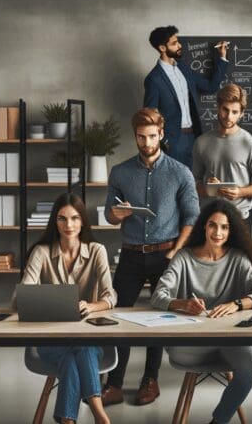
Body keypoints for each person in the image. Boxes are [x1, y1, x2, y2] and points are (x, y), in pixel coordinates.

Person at [101, 108, 200, 406]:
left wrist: (176, 249)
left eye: (152, 136)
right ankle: (115, 384)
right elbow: (110, 215)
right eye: (141, 137)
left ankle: (150, 380)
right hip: (130, 255)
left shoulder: (180, 172)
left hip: (164, 254)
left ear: (162, 134)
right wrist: (117, 214)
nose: (146, 142)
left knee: (158, 319)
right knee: (119, 316)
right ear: (135, 136)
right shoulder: (120, 172)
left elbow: (192, 217)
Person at [151, 199, 252, 424]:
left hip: (229, 339)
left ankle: (219, 421)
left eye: (224, 227)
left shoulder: (238, 258)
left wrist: (236, 304)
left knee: (249, 369)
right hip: (189, 344)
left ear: (231, 230)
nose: (218, 232)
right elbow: (158, 295)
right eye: (213, 225)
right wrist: (183, 304)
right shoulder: (184, 257)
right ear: (204, 227)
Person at [14, 193, 115, 424]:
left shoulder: (97, 250)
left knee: (79, 350)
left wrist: (91, 305)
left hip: (90, 335)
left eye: (74, 218)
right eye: (62, 219)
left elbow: (110, 296)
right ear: (54, 222)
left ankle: (69, 421)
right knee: (79, 350)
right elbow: (21, 296)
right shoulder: (41, 252)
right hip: (51, 340)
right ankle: (101, 415)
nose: (68, 225)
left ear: (83, 221)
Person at [143, 25, 229, 167]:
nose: (179, 45)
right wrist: (164, 143)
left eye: (178, 42)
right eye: (174, 43)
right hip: (173, 142)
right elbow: (149, 117)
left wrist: (222, 58)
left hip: (194, 137)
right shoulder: (154, 79)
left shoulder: (183, 69)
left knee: (194, 182)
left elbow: (210, 87)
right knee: (175, 184)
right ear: (162, 48)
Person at [191, 83, 252, 233]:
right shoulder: (201, 142)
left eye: (235, 112)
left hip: (239, 219)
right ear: (218, 107)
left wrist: (240, 192)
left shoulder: (251, 143)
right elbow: (193, 183)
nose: (229, 117)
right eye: (225, 110)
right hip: (208, 219)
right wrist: (208, 188)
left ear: (242, 113)